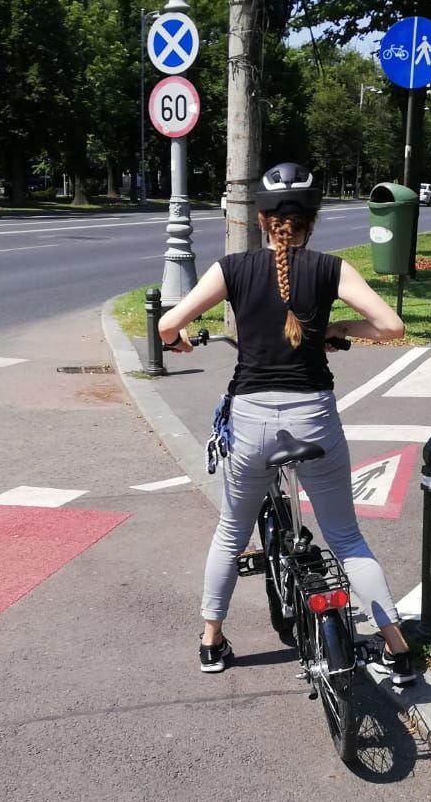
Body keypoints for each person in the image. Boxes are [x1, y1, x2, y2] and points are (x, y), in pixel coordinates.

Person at [157, 162, 417, 686]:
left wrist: (177, 343)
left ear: (261, 219)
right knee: (345, 537)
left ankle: (212, 643)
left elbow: (167, 324)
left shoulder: (231, 268)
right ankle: (397, 651)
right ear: (313, 221)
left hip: (252, 421)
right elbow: (392, 326)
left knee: (231, 533)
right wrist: (336, 326)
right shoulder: (331, 268)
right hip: (314, 417)